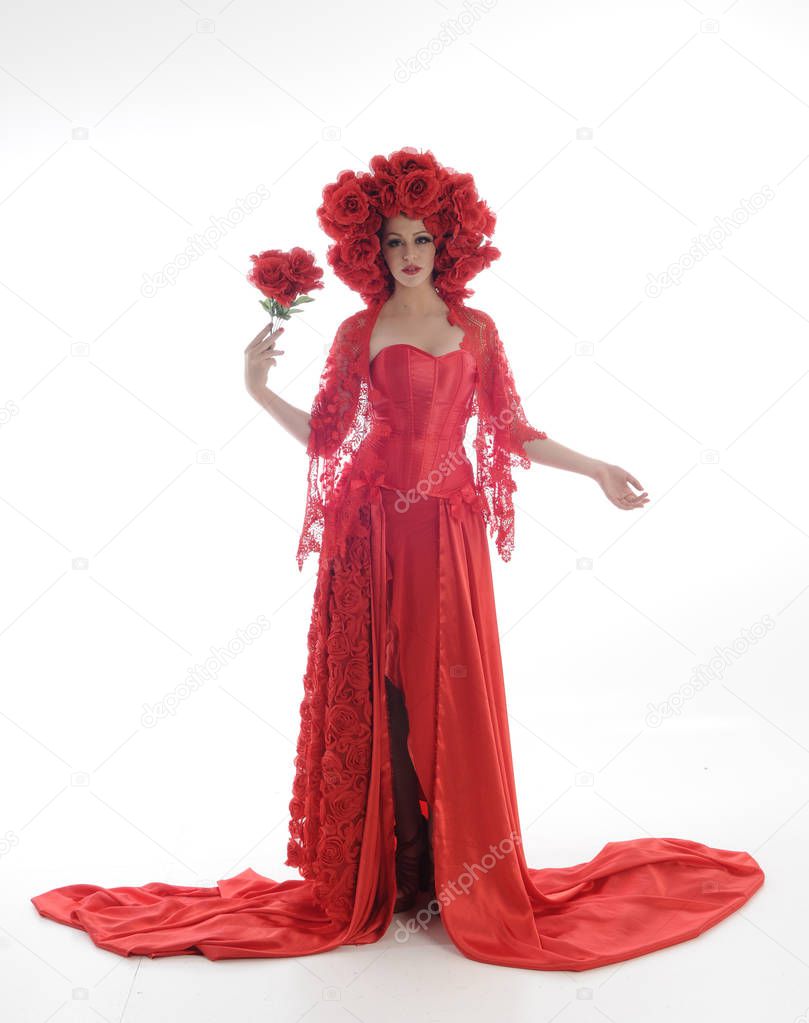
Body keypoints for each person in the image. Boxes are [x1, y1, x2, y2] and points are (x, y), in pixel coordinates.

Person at [30, 147, 764, 969]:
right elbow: (325, 437)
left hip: (446, 533)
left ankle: (460, 870)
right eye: (393, 241)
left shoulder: (476, 330)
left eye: (420, 239)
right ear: (370, 250)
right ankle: (400, 866)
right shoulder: (358, 329)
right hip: (370, 528)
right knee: (382, 693)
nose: (408, 254)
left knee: (447, 687)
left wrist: (594, 467)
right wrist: (255, 387)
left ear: (448, 243)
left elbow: (512, 430)